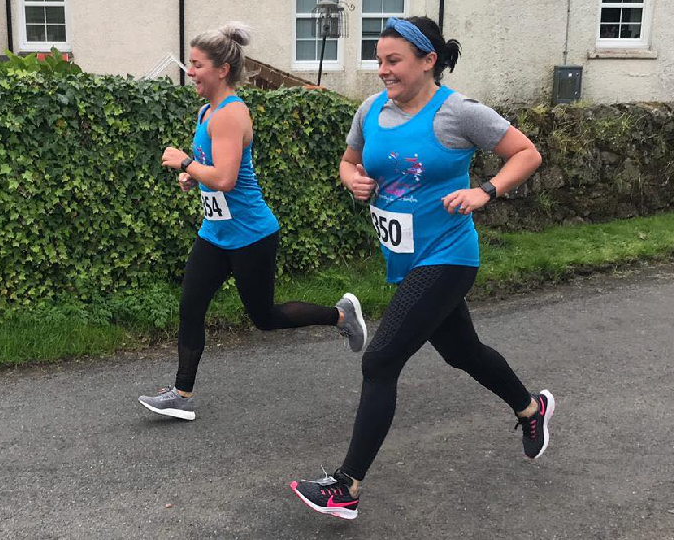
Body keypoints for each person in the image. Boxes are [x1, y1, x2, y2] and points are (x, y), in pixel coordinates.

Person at [289, 16, 554, 520]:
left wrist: (484, 191)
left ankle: (346, 487)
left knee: (381, 359)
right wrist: (354, 180)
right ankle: (531, 408)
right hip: (407, 261)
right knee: (463, 352)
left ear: (428, 61)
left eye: (394, 61)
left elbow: (526, 152)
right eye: (379, 61)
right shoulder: (371, 111)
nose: (383, 71)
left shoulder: (458, 112)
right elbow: (350, 161)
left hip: (449, 256)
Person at [138, 22, 367, 421]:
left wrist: (186, 161)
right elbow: (218, 171)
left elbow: (226, 179)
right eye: (190, 64)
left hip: (251, 235)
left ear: (221, 70)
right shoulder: (206, 111)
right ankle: (181, 393)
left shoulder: (230, 114)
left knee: (265, 317)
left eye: (196, 65)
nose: (189, 72)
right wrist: (194, 176)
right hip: (216, 233)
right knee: (191, 308)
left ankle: (341, 315)